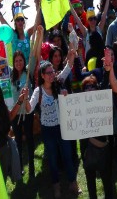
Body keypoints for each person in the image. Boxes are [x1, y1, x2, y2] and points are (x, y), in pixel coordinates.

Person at [25, 52, 81, 198]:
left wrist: (72, 53)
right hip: (47, 129)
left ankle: (73, 183)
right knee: (53, 159)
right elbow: (29, 109)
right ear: (42, 75)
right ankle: (56, 186)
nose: (51, 75)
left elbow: (68, 67)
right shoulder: (38, 91)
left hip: (62, 127)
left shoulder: (58, 83)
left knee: (67, 155)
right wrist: (24, 99)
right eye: (48, 73)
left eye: (52, 72)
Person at [9, 51, 35, 178]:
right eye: (16, 61)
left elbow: (34, 54)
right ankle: (19, 168)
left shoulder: (28, 73)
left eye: (20, 60)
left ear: (24, 61)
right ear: (13, 63)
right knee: (18, 141)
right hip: (16, 113)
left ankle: (31, 167)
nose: (18, 63)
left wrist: (39, 34)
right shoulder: (10, 76)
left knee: (30, 139)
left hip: (27, 112)